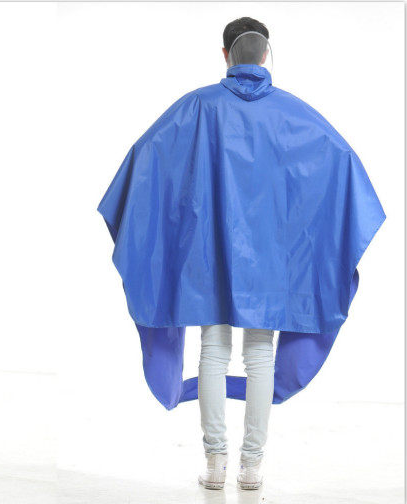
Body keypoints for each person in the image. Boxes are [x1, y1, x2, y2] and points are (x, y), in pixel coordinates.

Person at [97, 17, 384, 491]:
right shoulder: (294, 115)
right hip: (271, 261)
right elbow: (339, 161)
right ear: (266, 55)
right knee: (259, 353)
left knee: (213, 349)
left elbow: (147, 156)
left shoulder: (197, 107)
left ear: (225, 54)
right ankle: (252, 467)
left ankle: (215, 464)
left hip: (208, 254)